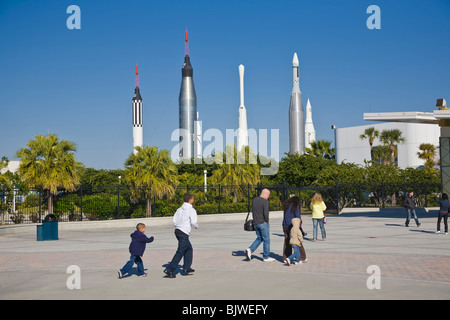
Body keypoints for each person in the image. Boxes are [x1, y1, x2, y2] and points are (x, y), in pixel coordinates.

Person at [164, 193, 198, 278]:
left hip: (177, 231)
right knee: (180, 251)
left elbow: (174, 221)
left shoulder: (179, 209)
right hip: (184, 233)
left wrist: (179, 226)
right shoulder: (191, 210)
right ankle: (169, 269)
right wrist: (196, 226)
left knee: (189, 249)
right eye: (193, 199)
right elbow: (194, 222)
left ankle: (186, 267)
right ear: (190, 200)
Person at [245, 189, 274, 262]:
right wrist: (267, 221)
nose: (268, 196)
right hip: (263, 223)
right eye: (268, 194)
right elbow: (266, 214)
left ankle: (250, 249)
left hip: (255, 223)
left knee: (259, 238)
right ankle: (266, 257)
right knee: (266, 240)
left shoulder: (255, 200)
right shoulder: (265, 202)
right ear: (264, 193)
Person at [282, 196, 303, 260]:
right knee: (298, 241)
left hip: (285, 225)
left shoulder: (286, 206)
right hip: (292, 225)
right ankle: (302, 257)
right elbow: (297, 217)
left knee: (287, 242)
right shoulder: (295, 206)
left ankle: (286, 257)